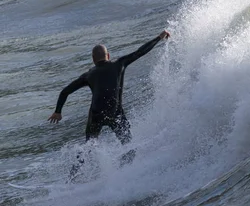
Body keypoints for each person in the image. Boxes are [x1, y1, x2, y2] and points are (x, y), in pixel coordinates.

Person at [48, 30, 171, 177]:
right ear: (108, 56)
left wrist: (58, 111)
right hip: (114, 113)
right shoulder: (119, 64)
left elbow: (65, 92)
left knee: (89, 146)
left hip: (96, 115)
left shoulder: (88, 75)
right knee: (128, 144)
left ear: (93, 59)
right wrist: (159, 37)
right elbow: (140, 52)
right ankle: (126, 172)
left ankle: (72, 178)